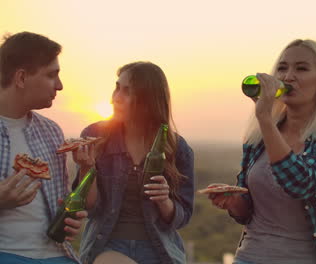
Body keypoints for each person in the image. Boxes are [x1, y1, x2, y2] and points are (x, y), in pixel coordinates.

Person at [209, 39, 316, 264]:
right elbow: (247, 213)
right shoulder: (257, 140)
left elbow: (301, 184)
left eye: (301, 68)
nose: (288, 76)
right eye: (282, 68)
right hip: (249, 257)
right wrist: (233, 200)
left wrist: (265, 119)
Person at [73, 61, 194, 264]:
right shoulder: (95, 136)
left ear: (148, 99)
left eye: (127, 91)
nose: (115, 98)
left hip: (160, 250)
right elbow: (89, 208)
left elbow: (183, 217)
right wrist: (87, 167)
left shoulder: (177, 148)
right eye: (117, 88)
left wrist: (164, 201)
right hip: (107, 247)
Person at [0, 32, 87, 263]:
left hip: (58, 253)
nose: (59, 86)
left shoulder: (51, 131)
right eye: (52, 75)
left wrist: (69, 218)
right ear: (21, 78)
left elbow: (62, 199)